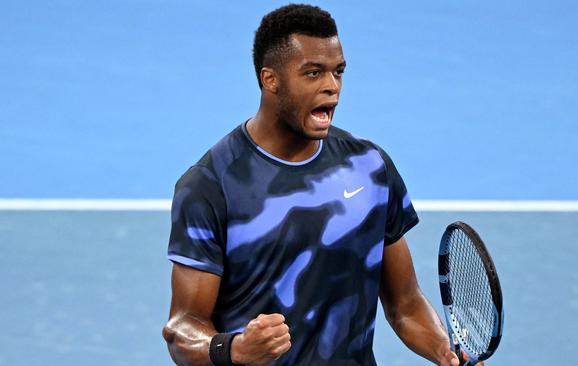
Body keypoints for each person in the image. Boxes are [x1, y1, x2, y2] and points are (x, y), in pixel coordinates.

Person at [163, 4, 480, 366]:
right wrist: (234, 349)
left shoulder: (370, 167)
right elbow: (182, 327)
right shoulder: (211, 185)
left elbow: (404, 303)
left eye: (338, 72)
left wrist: (443, 350)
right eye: (313, 73)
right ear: (270, 80)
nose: (332, 87)